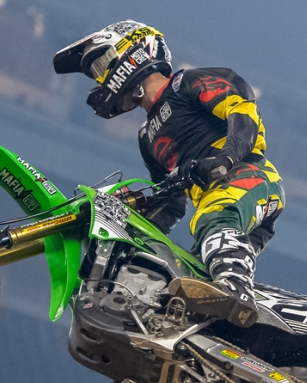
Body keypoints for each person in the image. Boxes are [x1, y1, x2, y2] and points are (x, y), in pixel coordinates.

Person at [53, 20, 284, 328]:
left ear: (134, 50)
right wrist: (129, 228)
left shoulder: (184, 83)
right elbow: (171, 203)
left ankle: (236, 290)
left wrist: (225, 158)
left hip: (250, 176)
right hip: (215, 202)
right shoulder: (146, 136)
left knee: (212, 222)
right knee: (189, 275)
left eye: (100, 65)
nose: (100, 78)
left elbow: (242, 108)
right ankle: (217, 335)